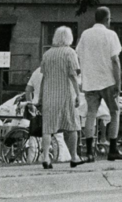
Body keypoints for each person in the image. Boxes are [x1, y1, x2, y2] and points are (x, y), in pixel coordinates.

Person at [75, 6, 122, 162]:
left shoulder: (85, 34)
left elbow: (78, 55)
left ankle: (90, 152)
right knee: (114, 112)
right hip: (107, 81)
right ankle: (113, 149)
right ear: (107, 18)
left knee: (91, 114)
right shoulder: (110, 34)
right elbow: (115, 60)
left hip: (90, 81)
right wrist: (118, 83)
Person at [39, 25, 84, 170]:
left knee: (47, 128)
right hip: (65, 95)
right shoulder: (70, 53)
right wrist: (78, 93)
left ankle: (45, 157)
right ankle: (74, 156)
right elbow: (73, 75)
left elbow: (44, 77)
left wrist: (40, 96)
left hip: (49, 95)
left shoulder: (47, 54)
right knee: (72, 126)